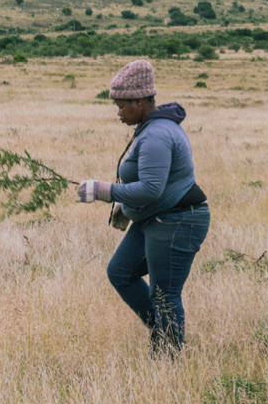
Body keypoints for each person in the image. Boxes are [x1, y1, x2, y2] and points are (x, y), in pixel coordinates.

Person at [75, 60, 210, 355]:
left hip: (177, 221)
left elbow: (151, 188)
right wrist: (126, 203)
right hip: (156, 218)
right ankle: (161, 333)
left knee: (164, 295)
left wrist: (104, 191)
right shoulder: (150, 127)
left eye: (123, 106)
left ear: (139, 101)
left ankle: (168, 359)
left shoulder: (157, 135)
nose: (119, 112)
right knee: (120, 271)